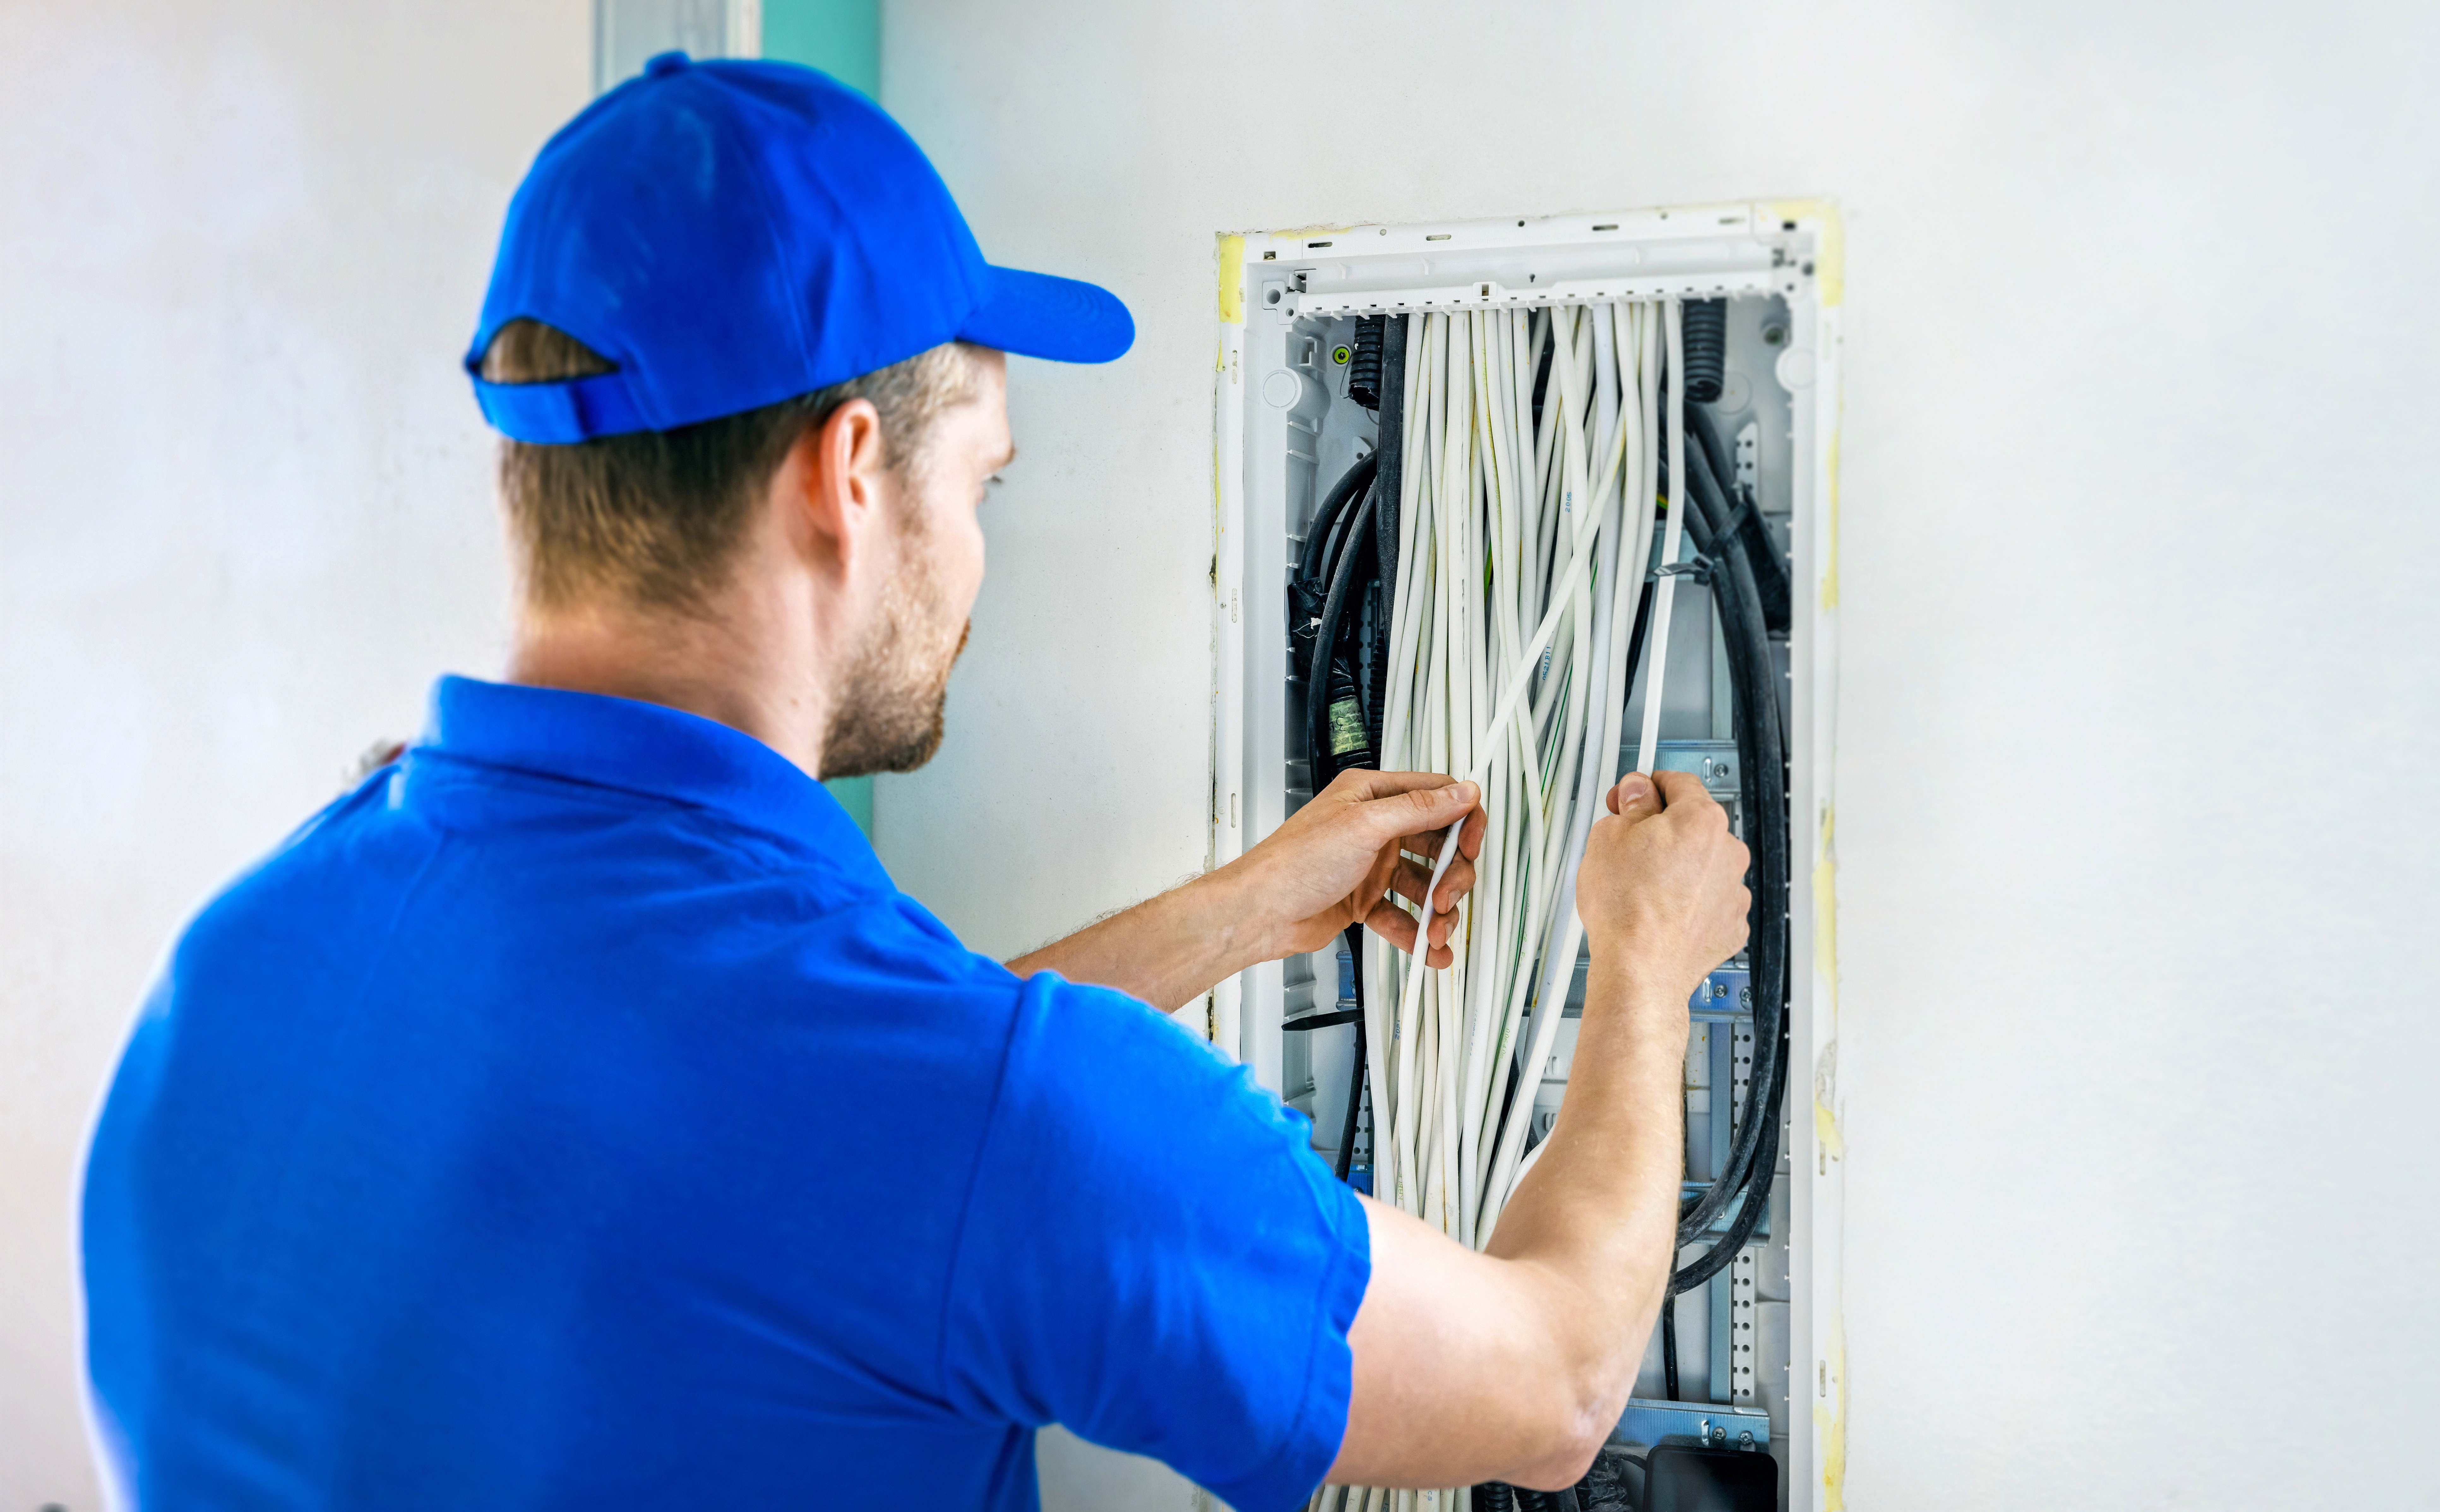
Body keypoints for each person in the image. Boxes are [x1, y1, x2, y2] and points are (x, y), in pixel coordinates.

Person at [79, 54, 1750, 1511]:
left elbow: (797, 1151)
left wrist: (1234, 915)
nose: (976, 561)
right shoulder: (966, 1123)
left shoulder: (223, 974)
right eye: (986, 484)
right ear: (852, 475)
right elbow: (1556, 1382)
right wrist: (1651, 971)